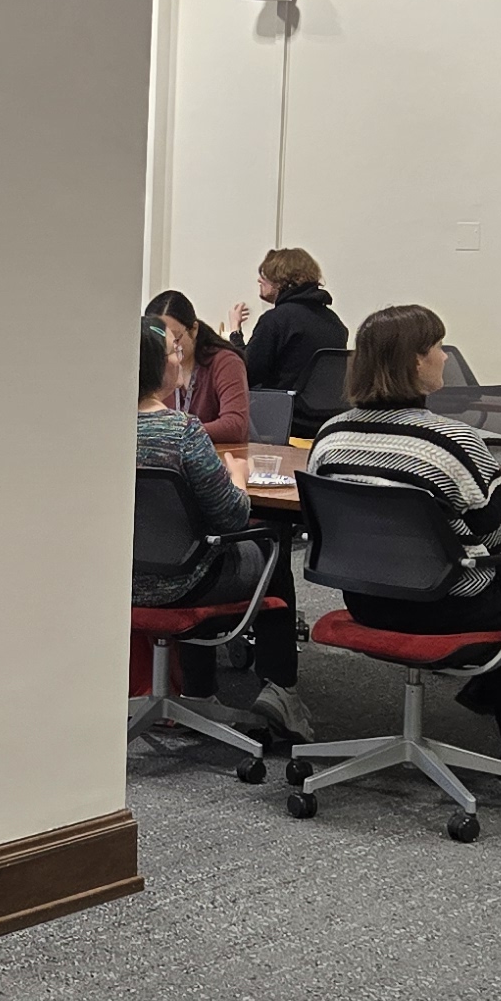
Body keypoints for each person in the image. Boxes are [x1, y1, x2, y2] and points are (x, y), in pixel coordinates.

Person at [308, 305, 501, 764]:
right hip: (443, 607)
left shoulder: (330, 436)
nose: (445, 358)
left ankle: (499, 698)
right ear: (415, 360)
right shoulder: (454, 442)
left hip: (366, 598)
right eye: (437, 347)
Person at [132, 314, 304, 732]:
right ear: (160, 367)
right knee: (271, 544)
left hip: (120, 578)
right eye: (174, 351)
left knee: (196, 544)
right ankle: (281, 690)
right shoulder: (184, 433)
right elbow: (232, 516)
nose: (180, 357)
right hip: (185, 582)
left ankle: (199, 690)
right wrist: (238, 480)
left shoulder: (100, 430)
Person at [233, 249, 347, 416]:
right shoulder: (335, 322)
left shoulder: (276, 320)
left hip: (284, 419)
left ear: (280, 281)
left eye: (265, 275)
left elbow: (245, 374)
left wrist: (235, 333)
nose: (259, 279)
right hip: (326, 420)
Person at [144, 292, 249, 445]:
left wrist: (174, 431)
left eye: (175, 338)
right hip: (170, 455)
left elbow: (235, 426)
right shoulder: (155, 363)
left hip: (214, 457)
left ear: (193, 330)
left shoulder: (225, 362)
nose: (166, 346)